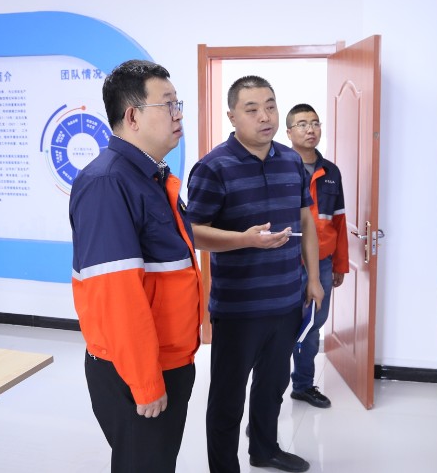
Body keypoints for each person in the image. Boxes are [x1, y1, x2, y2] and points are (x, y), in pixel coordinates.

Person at [69, 59, 203, 472]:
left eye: (178, 104)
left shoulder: (148, 176)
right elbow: (116, 294)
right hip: (138, 368)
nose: (178, 115)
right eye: (168, 104)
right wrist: (145, 382)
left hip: (168, 357)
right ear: (132, 117)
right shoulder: (109, 182)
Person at [186, 75, 324, 473]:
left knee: (273, 385)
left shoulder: (292, 162)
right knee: (228, 398)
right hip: (238, 308)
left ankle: (264, 449)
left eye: (270, 106)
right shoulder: (213, 167)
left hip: (286, 300)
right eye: (252, 109)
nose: (265, 117)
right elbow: (193, 232)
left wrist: (314, 279)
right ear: (232, 116)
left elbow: (306, 221)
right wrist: (244, 240)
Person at [285, 103, 348, 409]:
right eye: (302, 124)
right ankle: (269, 393)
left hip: (321, 262)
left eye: (315, 123)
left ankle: (303, 385)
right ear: (289, 132)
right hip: (285, 263)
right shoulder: (279, 166)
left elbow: (339, 221)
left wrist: (340, 265)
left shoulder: (331, 172)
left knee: (312, 325)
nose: (310, 129)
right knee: (280, 326)